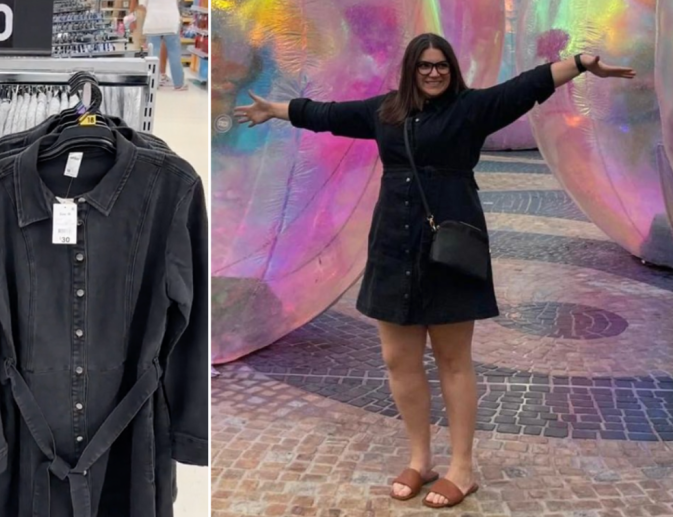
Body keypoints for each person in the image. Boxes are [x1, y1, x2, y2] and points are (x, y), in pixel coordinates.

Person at [233, 33, 634, 509]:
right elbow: (327, 114)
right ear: (411, 69)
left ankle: (461, 468)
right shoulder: (386, 111)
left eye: (441, 64)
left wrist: (583, 63)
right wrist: (275, 109)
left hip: (448, 244)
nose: (433, 72)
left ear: (452, 68)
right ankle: (420, 459)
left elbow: (528, 86)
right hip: (393, 243)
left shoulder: (471, 109)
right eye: (424, 65)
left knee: (452, 358)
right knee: (397, 358)